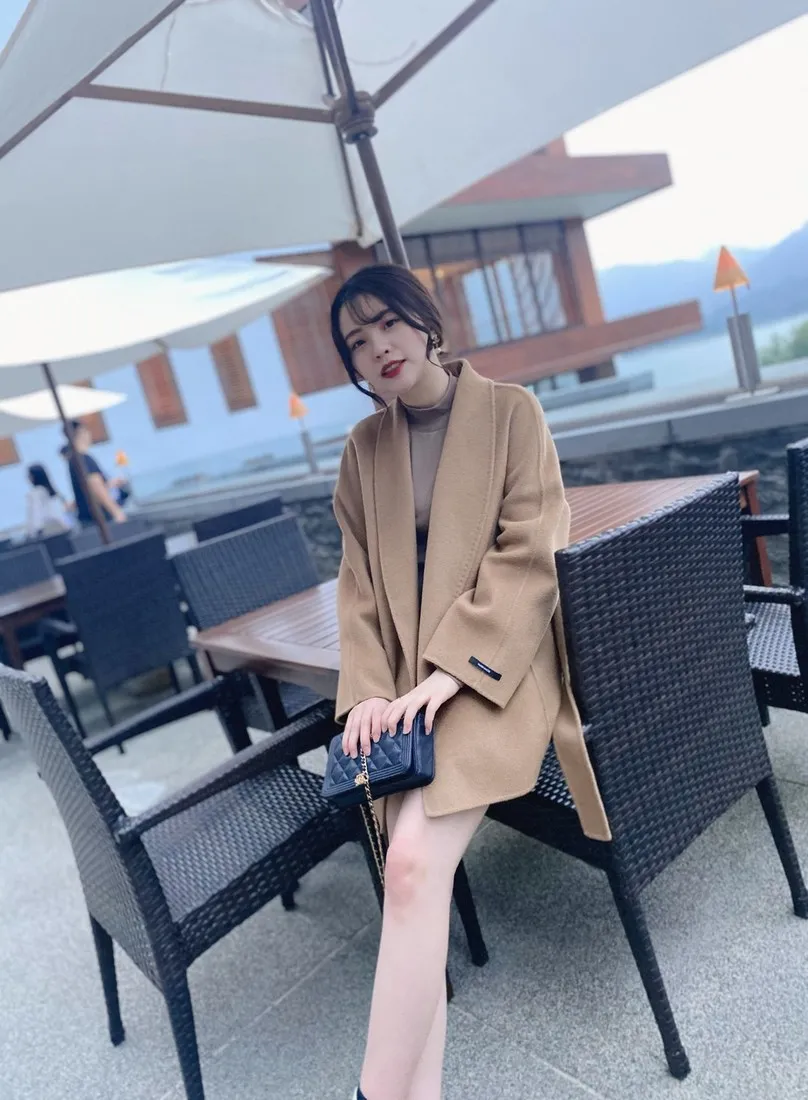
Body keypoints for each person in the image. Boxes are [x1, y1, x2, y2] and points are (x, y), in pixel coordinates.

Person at [330, 264, 611, 1100]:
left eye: (388, 322)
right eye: (356, 341)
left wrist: (453, 673)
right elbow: (357, 586)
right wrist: (368, 690)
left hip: (499, 672)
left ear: (424, 320)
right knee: (413, 879)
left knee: (411, 867)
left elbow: (533, 551)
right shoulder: (362, 451)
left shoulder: (511, 412)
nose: (378, 347)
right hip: (403, 689)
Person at [60, 420, 126, 526]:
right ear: (81, 432)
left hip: (88, 519)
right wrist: (116, 512)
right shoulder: (84, 459)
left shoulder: (73, 460)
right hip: (99, 518)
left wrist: (110, 484)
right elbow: (96, 487)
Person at [25, 463, 72, 538]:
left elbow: (36, 514)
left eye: (29, 475)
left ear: (34, 476)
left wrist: (32, 533)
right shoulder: (53, 492)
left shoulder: (35, 493)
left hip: (46, 531)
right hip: (63, 527)